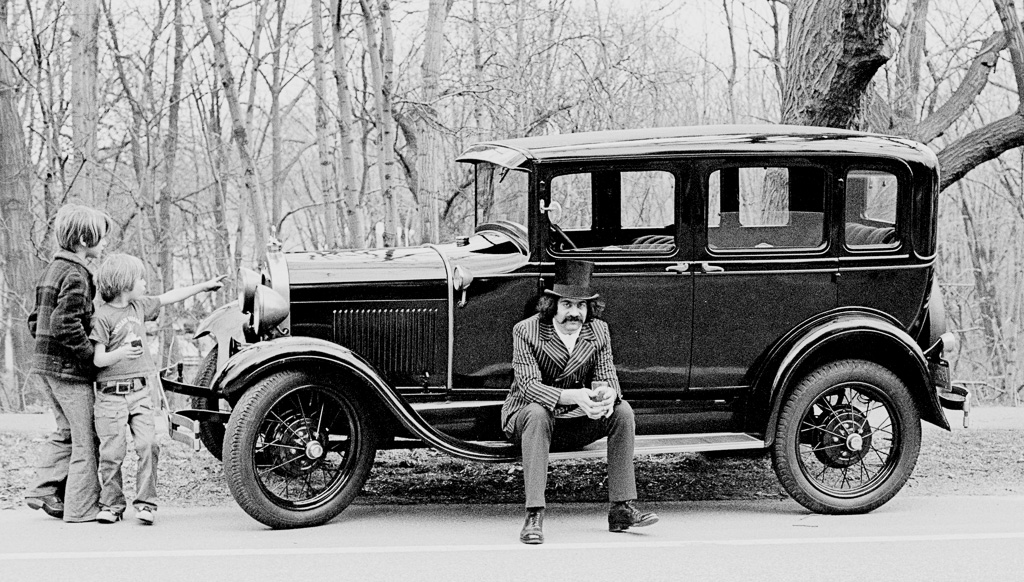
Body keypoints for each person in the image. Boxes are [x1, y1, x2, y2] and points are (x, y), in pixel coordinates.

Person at [501, 259, 658, 545]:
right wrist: (575, 396)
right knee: (537, 413)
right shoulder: (526, 331)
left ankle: (621, 508)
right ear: (552, 306)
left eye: (582, 306)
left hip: (575, 421)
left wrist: (608, 395)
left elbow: (606, 375)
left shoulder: (598, 331)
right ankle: (534, 515)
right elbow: (528, 387)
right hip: (530, 423)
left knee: (623, 412)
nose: (575, 313)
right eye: (568, 305)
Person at [90, 253, 224, 524]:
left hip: (140, 392)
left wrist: (204, 286)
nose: (144, 283)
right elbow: (98, 359)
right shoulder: (101, 317)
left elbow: (171, 296)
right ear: (124, 283)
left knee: (148, 445)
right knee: (112, 453)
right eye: (140, 278)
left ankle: (146, 504)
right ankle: (112, 505)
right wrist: (123, 353)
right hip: (110, 397)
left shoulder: (139, 307)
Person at [24, 204, 112, 523]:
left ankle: (43, 489)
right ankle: (81, 507)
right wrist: (90, 356)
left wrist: (46, 347)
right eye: (101, 240)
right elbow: (64, 323)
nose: (103, 246)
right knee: (86, 438)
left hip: (45, 368)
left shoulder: (53, 268)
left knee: (66, 430)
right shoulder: (78, 274)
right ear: (85, 241)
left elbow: (36, 321)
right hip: (68, 373)